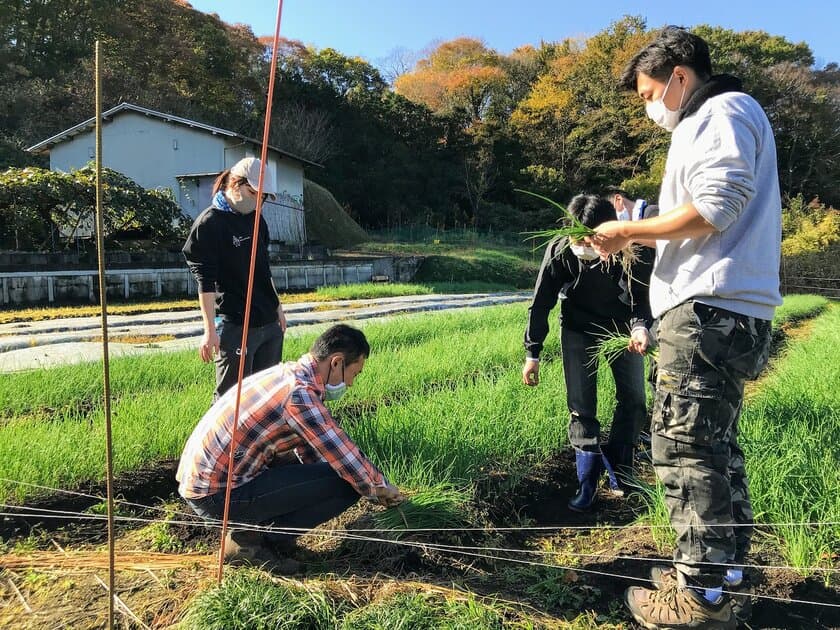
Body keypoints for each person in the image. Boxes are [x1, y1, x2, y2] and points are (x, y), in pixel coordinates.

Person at [589, 26, 780, 630]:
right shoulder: (729, 116)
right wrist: (638, 216)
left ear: (679, 77)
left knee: (683, 447)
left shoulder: (720, 112)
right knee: (713, 445)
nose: (650, 107)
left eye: (650, 93)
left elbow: (714, 208)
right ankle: (723, 577)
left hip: (706, 310)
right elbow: (709, 202)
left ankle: (697, 601)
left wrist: (629, 233)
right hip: (730, 308)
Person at [176, 324, 404, 570]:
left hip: (205, 482)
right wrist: (379, 488)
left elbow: (310, 449)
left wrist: (323, 478)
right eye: (354, 374)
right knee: (346, 484)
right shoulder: (299, 395)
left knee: (327, 474)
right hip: (218, 494)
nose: (350, 384)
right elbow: (343, 454)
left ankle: (261, 535)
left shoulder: (287, 374)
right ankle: (253, 543)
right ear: (336, 363)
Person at [522, 193, 654, 512]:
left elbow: (642, 299)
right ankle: (588, 483)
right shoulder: (560, 251)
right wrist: (533, 353)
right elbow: (541, 303)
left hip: (621, 331)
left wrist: (641, 327)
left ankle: (623, 472)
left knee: (634, 399)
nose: (584, 245)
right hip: (578, 330)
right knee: (582, 405)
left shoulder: (632, 251)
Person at [183, 157, 287, 401]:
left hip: (268, 322)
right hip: (235, 324)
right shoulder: (209, 224)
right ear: (235, 184)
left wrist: (278, 306)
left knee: (266, 396)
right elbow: (205, 281)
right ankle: (222, 440)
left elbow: (263, 268)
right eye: (254, 193)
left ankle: (258, 441)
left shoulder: (256, 220)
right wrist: (209, 330)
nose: (258, 202)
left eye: (263, 197)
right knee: (232, 398)